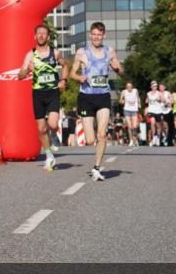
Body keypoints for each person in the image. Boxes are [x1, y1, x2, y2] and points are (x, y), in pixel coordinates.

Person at [69, 22, 123, 181]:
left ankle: (97, 167)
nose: (96, 37)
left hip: (103, 96)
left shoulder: (110, 51)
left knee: (102, 135)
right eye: (94, 34)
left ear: (104, 36)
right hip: (86, 97)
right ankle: (95, 163)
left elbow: (122, 72)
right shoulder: (81, 53)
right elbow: (72, 73)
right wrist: (80, 77)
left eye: (99, 35)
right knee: (90, 140)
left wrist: (117, 68)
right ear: (90, 35)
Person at [17, 23, 67, 171]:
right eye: (38, 33)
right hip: (38, 94)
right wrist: (27, 70)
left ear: (48, 37)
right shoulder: (30, 55)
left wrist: (63, 80)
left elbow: (65, 65)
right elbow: (20, 76)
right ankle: (49, 155)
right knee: (41, 129)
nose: (41, 36)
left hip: (52, 92)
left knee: (51, 124)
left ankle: (54, 135)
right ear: (34, 36)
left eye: (44, 34)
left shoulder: (55, 53)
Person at [120, 82, 140, 146]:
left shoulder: (135, 90)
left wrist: (139, 104)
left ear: (132, 87)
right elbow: (120, 101)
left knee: (134, 126)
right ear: (126, 87)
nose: (129, 88)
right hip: (127, 109)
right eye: (128, 86)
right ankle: (131, 140)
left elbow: (138, 97)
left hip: (134, 109)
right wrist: (122, 101)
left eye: (130, 86)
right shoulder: (124, 92)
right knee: (129, 126)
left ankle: (135, 140)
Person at [145, 81, 164, 146]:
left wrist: (159, 100)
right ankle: (154, 137)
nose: (154, 87)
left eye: (156, 86)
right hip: (151, 110)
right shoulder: (148, 93)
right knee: (152, 123)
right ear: (151, 87)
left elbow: (163, 100)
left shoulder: (159, 93)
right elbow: (146, 101)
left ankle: (158, 137)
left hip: (158, 111)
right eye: (153, 86)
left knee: (158, 126)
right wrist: (147, 101)